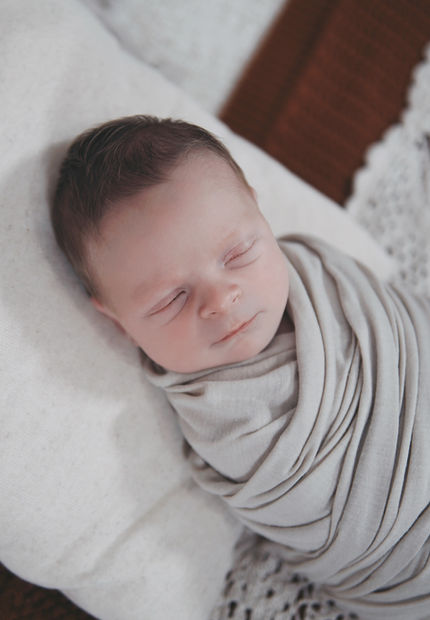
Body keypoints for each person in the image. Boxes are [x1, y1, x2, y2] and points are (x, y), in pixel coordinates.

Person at [52, 115, 430, 619]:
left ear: (257, 208)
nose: (220, 299)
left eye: (238, 252)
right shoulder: (229, 421)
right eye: (170, 299)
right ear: (116, 319)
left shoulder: (320, 270)